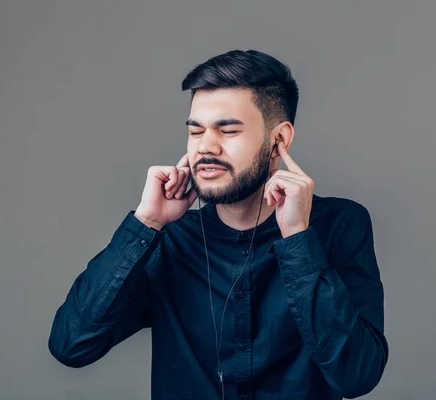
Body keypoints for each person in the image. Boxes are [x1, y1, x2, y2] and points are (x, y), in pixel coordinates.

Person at [48, 49, 388, 399]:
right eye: (196, 132)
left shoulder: (338, 225)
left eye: (228, 130)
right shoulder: (168, 239)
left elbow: (357, 376)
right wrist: (146, 221)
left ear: (279, 141)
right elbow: (70, 346)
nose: (206, 147)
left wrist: (297, 241)